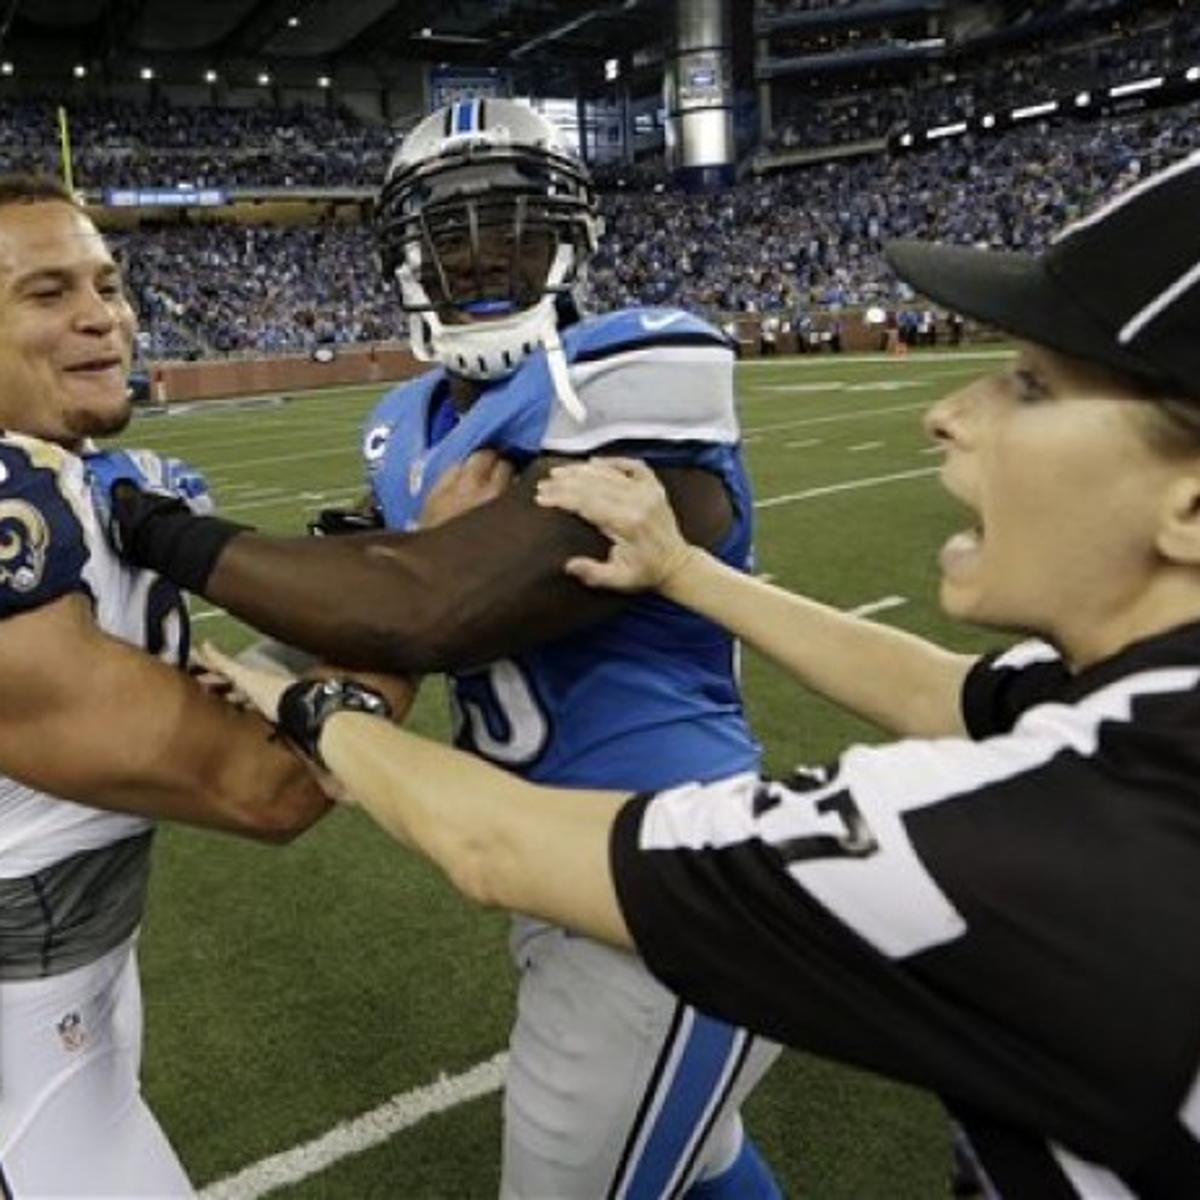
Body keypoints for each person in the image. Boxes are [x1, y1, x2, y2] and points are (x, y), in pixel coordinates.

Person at [201, 150, 1200, 1197]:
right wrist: (684, 572)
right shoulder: (1116, 707)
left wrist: (320, 711)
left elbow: (497, 848)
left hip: (627, 871)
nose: (949, 412)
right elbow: (942, 691)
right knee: (704, 1158)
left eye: (1032, 385)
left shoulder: (1051, 833)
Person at [89, 100, 784, 1200]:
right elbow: (382, 580)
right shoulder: (409, 424)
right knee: (701, 1168)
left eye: (514, 224)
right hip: (556, 869)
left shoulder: (634, 368)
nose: (485, 255)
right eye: (451, 233)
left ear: (577, 235)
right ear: (404, 261)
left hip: (667, 878)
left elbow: (426, 606)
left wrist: (152, 528)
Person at [0, 174, 331, 1198]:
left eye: (107, 282)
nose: (102, 315)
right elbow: (264, 788)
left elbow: (176, 697)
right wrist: (444, 604)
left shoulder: (75, 479)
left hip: (70, 987)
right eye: (47, 292)